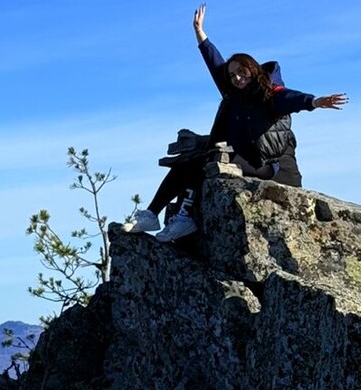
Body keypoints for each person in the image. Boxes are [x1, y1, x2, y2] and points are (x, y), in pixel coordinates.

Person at [124, 4, 348, 242]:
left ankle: (185, 217)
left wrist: (314, 101)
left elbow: (289, 98)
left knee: (206, 161)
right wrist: (201, 35)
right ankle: (152, 214)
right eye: (233, 75)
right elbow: (216, 65)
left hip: (272, 167)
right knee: (188, 162)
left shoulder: (269, 93)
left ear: (253, 70)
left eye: (242, 72)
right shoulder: (235, 95)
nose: (237, 78)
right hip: (245, 159)